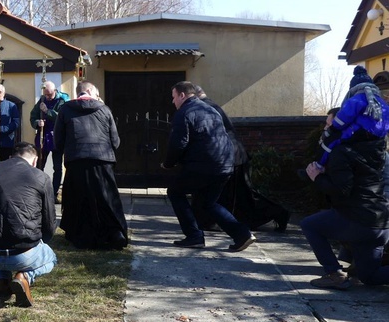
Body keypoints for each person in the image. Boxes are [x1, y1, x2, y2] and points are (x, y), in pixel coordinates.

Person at [161, 81, 256, 251]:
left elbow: (178, 143)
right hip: (225, 164)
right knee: (208, 203)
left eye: (173, 97)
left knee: (175, 192)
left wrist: (168, 164)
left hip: (204, 166)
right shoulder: (210, 109)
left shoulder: (184, 112)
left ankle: (194, 236)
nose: (173, 101)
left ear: (182, 95)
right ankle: (242, 235)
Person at [300, 119, 389, 289]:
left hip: (359, 219)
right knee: (369, 276)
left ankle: (334, 274)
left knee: (309, 225)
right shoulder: (376, 151)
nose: (327, 128)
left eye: (330, 125)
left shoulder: (342, 151)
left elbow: (342, 189)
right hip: (381, 223)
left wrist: (317, 177)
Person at [193, 85, 289, 231]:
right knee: (239, 195)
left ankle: (277, 212)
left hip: (228, 156)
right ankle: (211, 221)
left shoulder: (205, 108)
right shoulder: (211, 105)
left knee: (241, 196)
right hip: (234, 154)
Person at [0, 142, 57, 307]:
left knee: (1, 232)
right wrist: (41, 242)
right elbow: (49, 223)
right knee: (52, 258)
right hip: (24, 252)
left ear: (11, 157)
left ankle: (2, 281)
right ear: (34, 161)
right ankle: (25, 277)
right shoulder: (41, 177)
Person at [54, 81, 128, 250]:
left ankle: (79, 235)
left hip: (76, 160)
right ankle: (114, 233)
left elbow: (58, 140)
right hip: (103, 160)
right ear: (90, 91)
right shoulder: (104, 109)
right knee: (106, 198)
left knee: (78, 199)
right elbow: (115, 140)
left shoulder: (65, 109)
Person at [314, 65, 389, 168]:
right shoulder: (379, 101)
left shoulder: (357, 99)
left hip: (362, 131)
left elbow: (344, 116)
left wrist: (334, 128)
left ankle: (318, 166)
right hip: (378, 135)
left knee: (330, 142)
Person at [29, 81, 66, 201]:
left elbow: (61, 117)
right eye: (46, 95)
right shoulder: (42, 101)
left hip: (56, 137)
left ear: (54, 91)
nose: (48, 97)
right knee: (40, 165)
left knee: (57, 167)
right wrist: (37, 123)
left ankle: (54, 192)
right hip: (43, 137)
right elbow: (33, 116)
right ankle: (39, 190)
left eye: (50, 95)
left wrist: (48, 112)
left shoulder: (62, 101)